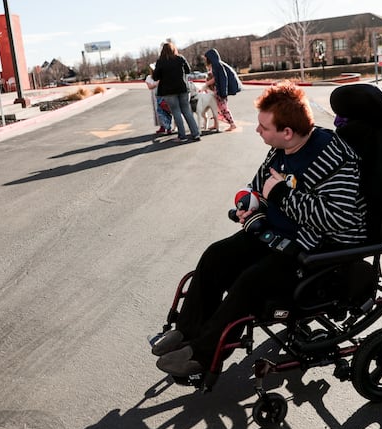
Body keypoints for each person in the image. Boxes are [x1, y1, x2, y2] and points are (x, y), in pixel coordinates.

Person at [152, 81, 368, 376]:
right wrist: (250, 202)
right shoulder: (281, 149)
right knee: (216, 255)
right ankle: (187, 331)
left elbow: (337, 218)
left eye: (264, 127)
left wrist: (281, 195)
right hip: (276, 235)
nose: (257, 130)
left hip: (314, 248)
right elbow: (259, 186)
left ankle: (204, 355)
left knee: (249, 282)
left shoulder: (333, 157)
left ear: (287, 132)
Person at [152, 42, 201, 141]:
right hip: (183, 88)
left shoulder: (160, 62)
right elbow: (188, 70)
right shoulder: (180, 58)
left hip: (168, 91)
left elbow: (155, 77)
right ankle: (196, 134)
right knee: (187, 111)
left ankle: (182, 136)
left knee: (176, 112)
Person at [204, 48, 242, 132]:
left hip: (220, 91)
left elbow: (218, 79)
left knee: (223, 108)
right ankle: (216, 124)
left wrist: (206, 84)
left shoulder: (217, 66)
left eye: (206, 58)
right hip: (217, 90)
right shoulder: (216, 65)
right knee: (216, 108)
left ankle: (232, 124)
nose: (205, 60)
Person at [145, 63, 173, 135]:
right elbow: (150, 87)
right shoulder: (149, 77)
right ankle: (162, 126)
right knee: (158, 112)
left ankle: (168, 127)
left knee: (166, 111)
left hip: (163, 95)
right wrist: (157, 83)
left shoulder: (161, 76)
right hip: (155, 96)